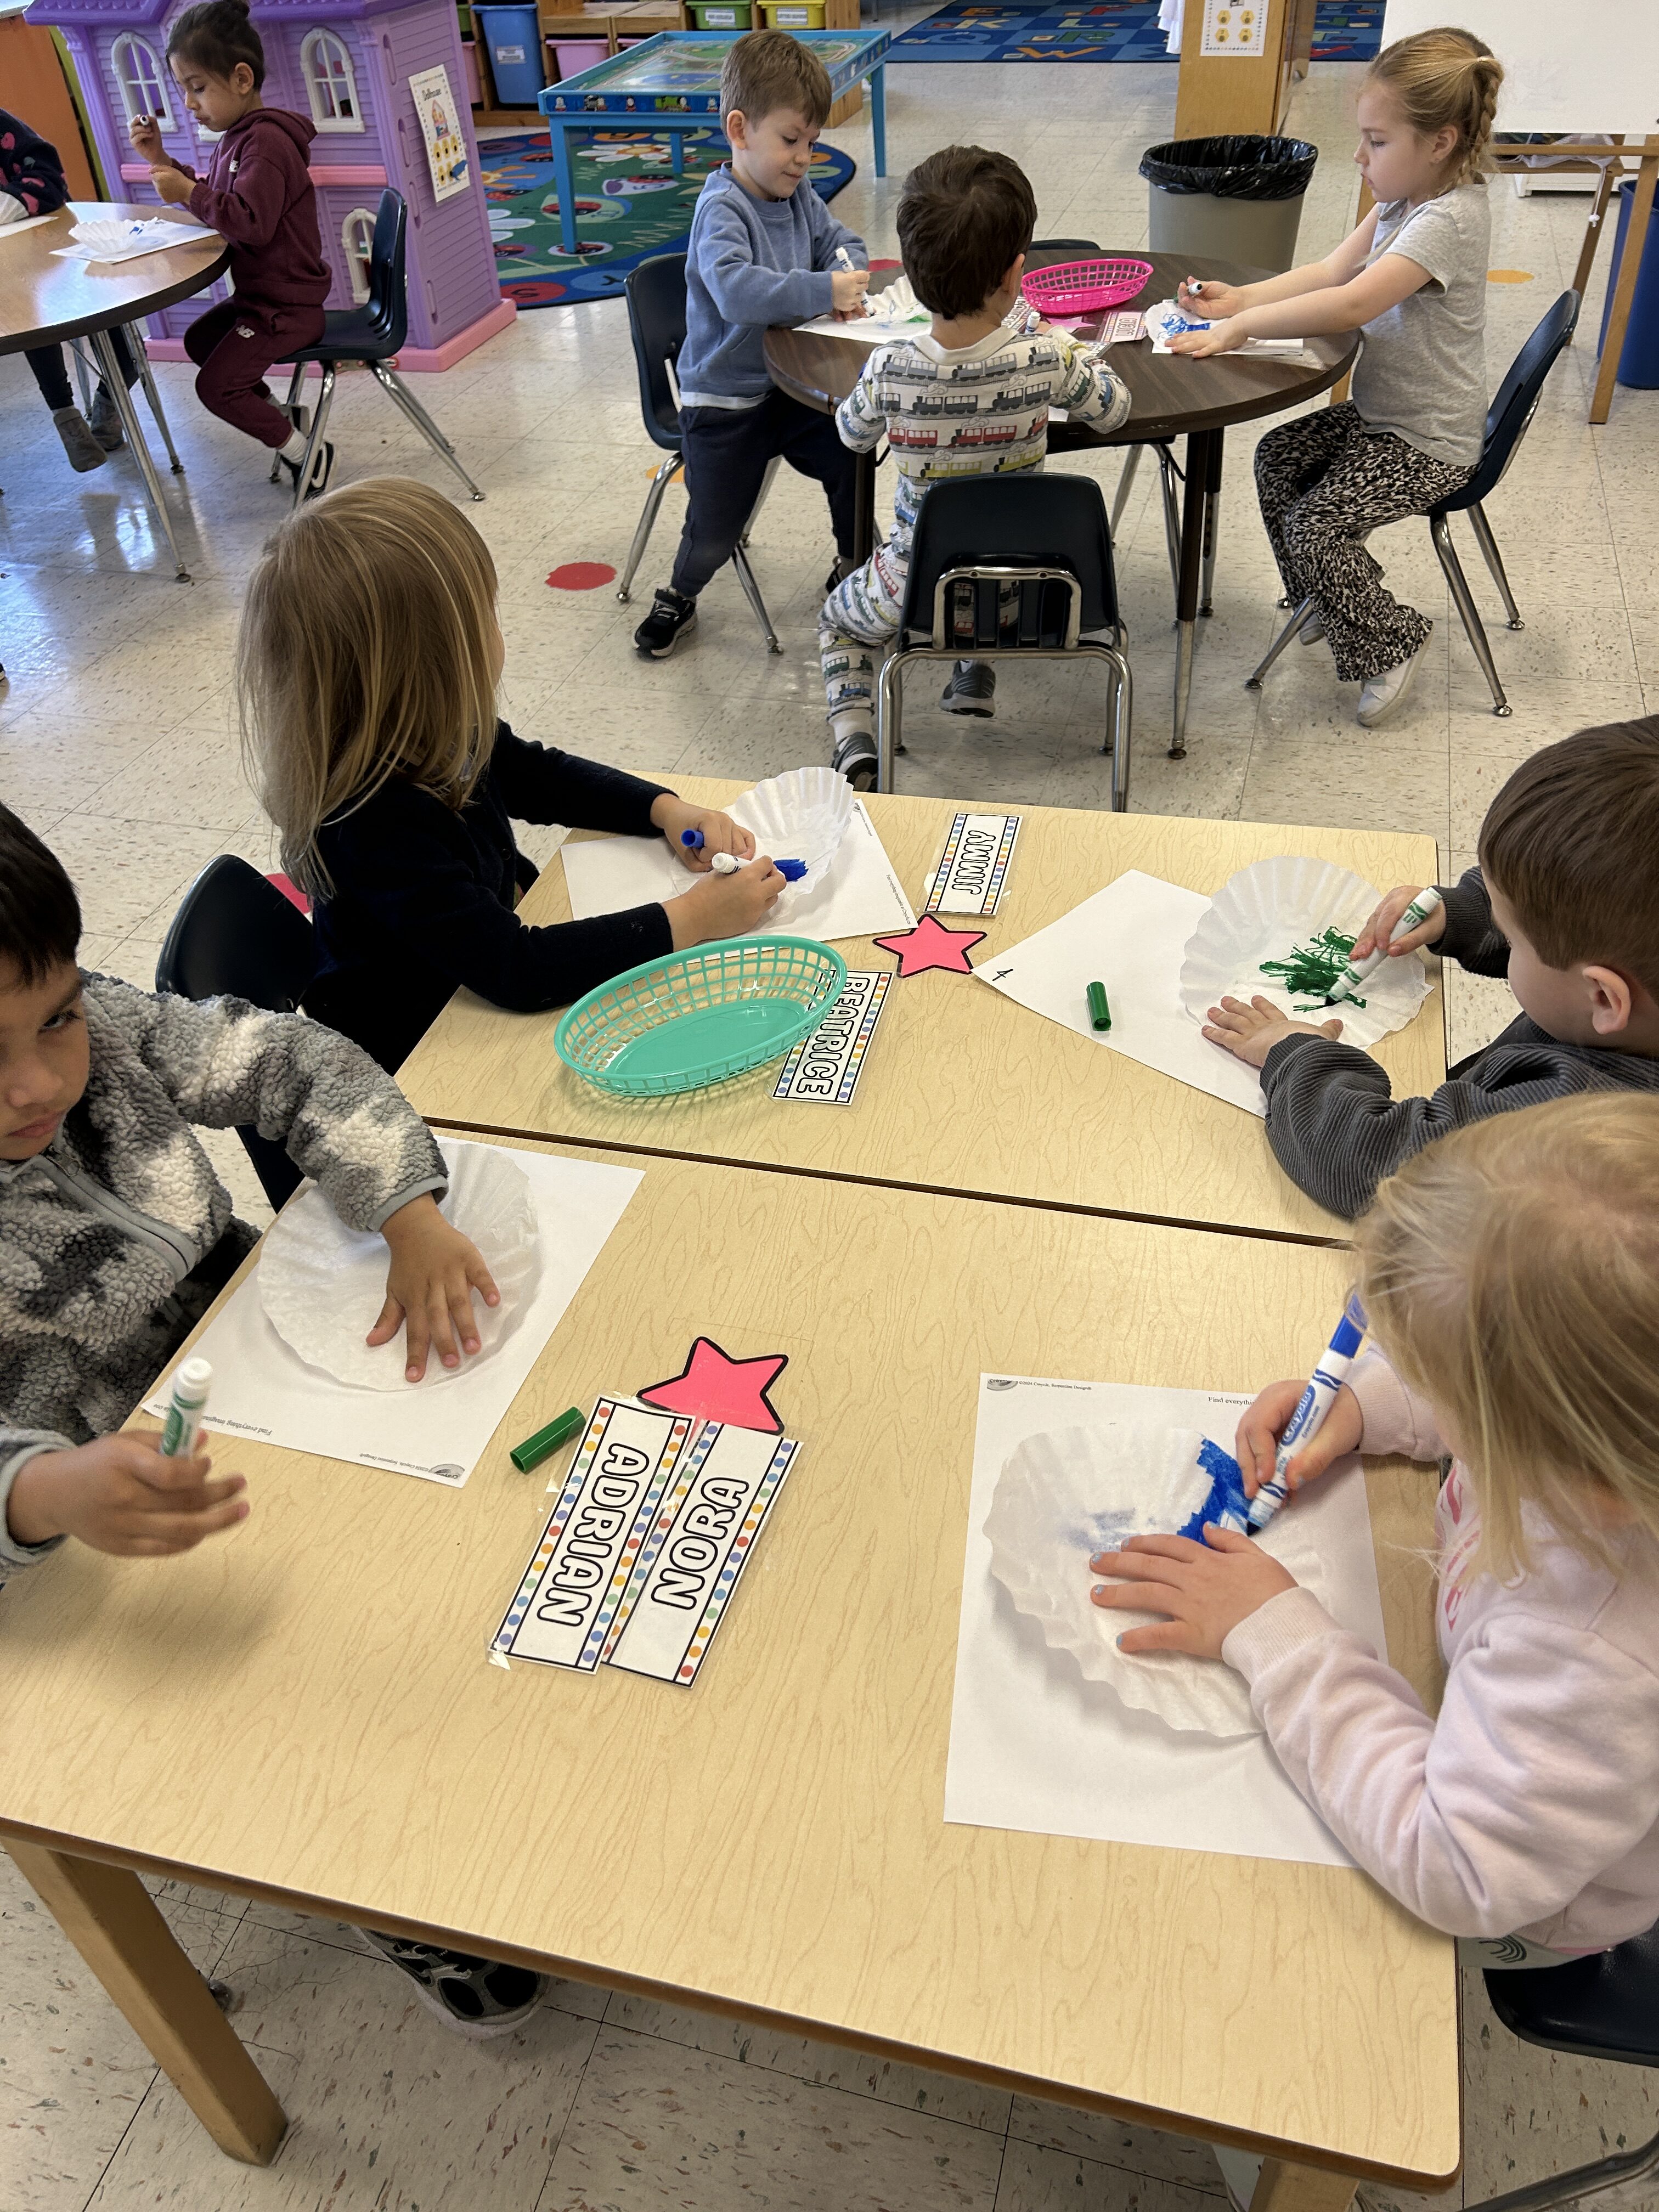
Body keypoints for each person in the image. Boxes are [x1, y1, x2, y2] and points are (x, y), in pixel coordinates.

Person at [0, 802, 561, 2037]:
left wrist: (405, 1206)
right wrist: (41, 1490)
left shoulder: (106, 1028)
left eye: (56, 1020)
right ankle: (367, 1870)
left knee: (457, 1562)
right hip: (86, 1537)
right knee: (310, 1694)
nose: (38, 1084)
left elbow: (292, 1061)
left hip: (241, 1371)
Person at [1089, 1094, 1659, 1970]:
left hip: (1534, 1901)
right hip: (1487, 1715)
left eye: (1439, 1379)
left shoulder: (1591, 1655)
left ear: (1556, 1448)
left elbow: (1457, 1869)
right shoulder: (1605, 1448)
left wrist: (1277, 1635)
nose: (1419, 1378)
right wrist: (1366, 1405)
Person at [239, 477, 785, 1075]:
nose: (500, 630)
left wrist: (664, 809)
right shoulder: (370, 825)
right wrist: (698, 917)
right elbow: (517, 970)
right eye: (487, 614)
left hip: (472, 984)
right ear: (431, 664)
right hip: (418, 1051)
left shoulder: (433, 726)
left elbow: (541, 776)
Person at [1169, 26, 1504, 729]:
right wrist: (1240, 300)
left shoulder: (1447, 220)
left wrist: (1240, 329)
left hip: (1429, 441)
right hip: (1387, 418)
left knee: (1314, 526)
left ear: (1440, 142)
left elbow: (1351, 304)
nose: (1360, 156)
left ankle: (1390, 637)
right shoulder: (1405, 197)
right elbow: (1329, 271)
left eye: (1377, 142)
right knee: (1277, 458)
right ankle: (1327, 597)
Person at [1200, 718, 1659, 1218]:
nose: (1501, 934)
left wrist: (1295, 1054)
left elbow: (1376, 1166)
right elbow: (1585, 933)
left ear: (1604, 997)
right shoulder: (1634, 1000)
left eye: (1509, 935)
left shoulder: (1577, 1133)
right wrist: (1461, 912)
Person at [817, 145, 1131, 789]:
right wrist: (1066, 345)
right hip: (1028, 590)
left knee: (838, 623)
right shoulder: (1044, 358)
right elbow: (1114, 410)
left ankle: (855, 741)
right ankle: (973, 673)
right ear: (1016, 275)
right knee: (987, 532)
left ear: (912, 272)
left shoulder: (890, 368)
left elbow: (850, 434)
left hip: (918, 588)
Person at [630, 29, 870, 662]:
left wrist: (847, 270)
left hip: (790, 388)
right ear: (739, 129)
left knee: (853, 455)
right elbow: (738, 292)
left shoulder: (799, 195)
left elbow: (841, 242)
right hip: (726, 402)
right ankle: (680, 593)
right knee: (715, 527)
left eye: (812, 143)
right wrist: (824, 288)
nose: (803, 159)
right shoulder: (722, 210)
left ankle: (856, 566)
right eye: (791, 140)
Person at [129, 0, 335, 498]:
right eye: (183, 89)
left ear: (242, 79)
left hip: (285, 308)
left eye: (198, 87)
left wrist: (187, 193)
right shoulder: (238, 138)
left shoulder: (266, 143)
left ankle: (305, 452)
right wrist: (161, 160)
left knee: (215, 387)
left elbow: (251, 223)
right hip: (261, 299)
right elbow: (218, 196)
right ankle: (284, 419)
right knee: (201, 342)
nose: (189, 103)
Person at [1, 106, 138, 472]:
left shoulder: (3, 128)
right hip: (13, 281)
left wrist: (10, 204)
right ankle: (67, 417)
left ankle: (108, 407)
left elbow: (49, 178)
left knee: (121, 340)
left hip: (64, 251)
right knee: (29, 320)